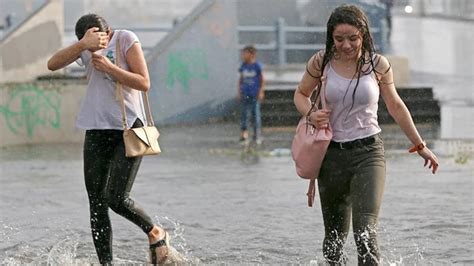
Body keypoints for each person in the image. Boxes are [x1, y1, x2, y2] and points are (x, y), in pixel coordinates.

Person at [293, 5, 439, 265]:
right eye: (339, 39)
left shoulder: (377, 64)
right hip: (331, 156)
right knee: (334, 241)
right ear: (331, 37)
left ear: (363, 35)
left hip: (368, 153)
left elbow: (395, 105)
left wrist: (420, 145)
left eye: (353, 38)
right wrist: (310, 114)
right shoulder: (321, 61)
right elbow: (301, 94)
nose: (346, 45)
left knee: (365, 233)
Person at [47, 14, 169, 265]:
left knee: (116, 197)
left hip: (128, 128)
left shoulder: (125, 38)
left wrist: (110, 68)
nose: (99, 43)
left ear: (109, 31)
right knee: (96, 201)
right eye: (92, 39)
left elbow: (144, 83)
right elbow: (52, 64)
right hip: (95, 127)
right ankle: (106, 263)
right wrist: (83, 45)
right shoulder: (85, 47)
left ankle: (155, 232)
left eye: (101, 37)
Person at [237, 45, 265, 145]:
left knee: (255, 114)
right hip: (245, 93)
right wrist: (239, 92)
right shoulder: (243, 66)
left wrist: (261, 91)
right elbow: (240, 80)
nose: (243, 55)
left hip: (254, 94)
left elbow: (262, 80)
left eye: (245, 53)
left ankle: (256, 134)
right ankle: (244, 134)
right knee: (244, 114)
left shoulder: (257, 66)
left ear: (252, 54)